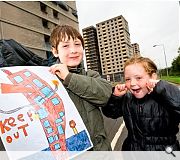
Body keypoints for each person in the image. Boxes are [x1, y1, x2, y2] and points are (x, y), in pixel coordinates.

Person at [49, 25, 112, 151]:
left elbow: (105, 94)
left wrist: (68, 77)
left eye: (77, 44)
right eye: (66, 46)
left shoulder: (91, 75)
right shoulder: (49, 81)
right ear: (55, 51)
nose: (73, 50)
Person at [102, 55, 180, 151]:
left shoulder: (165, 96)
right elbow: (110, 113)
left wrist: (162, 88)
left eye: (138, 78)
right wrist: (116, 97)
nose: (132, 83)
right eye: (128, 79)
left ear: (153, 77)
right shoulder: (127, 98)